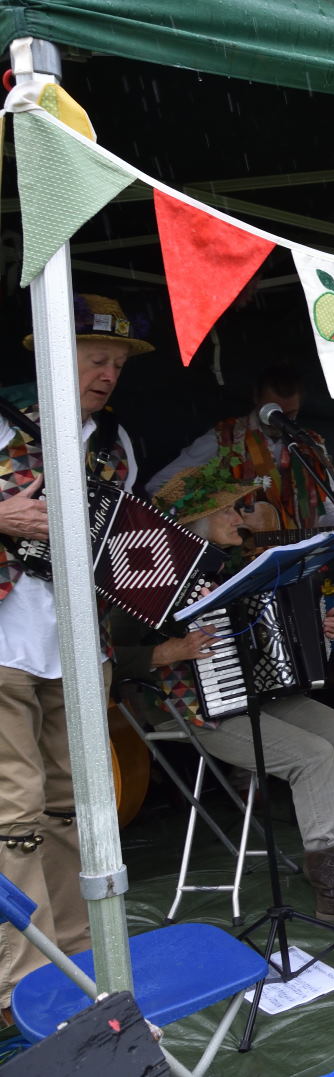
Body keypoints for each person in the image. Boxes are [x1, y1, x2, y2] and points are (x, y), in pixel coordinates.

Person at [114, 465, 334, 918]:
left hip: (253, 695)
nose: (242, 517)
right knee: (311, 756)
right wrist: (169, 650)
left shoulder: (237, 569)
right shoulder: (146, 574)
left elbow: (269, 639)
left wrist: (317, 631)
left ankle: (330, 852)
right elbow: (110, 654)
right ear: (196, 521)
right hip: (188, 707)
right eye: (230, 510)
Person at [0, 295, 144, 1011]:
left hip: (78, 647)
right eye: (95, 357)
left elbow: (119, 548)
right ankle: (25, 983)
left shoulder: (114, 445)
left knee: (71, 806)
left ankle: (80, 959)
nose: (108, 372)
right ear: (48, 353)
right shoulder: (2, 418)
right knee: (16, 810)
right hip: (4, 642)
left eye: (117, 362)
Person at [146, 361, 334, 535]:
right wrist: (216, 513)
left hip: (297, 558)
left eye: (289, 416)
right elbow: (159, 488)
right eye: (273, 413)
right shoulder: (224, 438)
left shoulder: (310, 445)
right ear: (256, 398)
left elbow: (324, 506)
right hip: (239, 560)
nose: (280, 422)